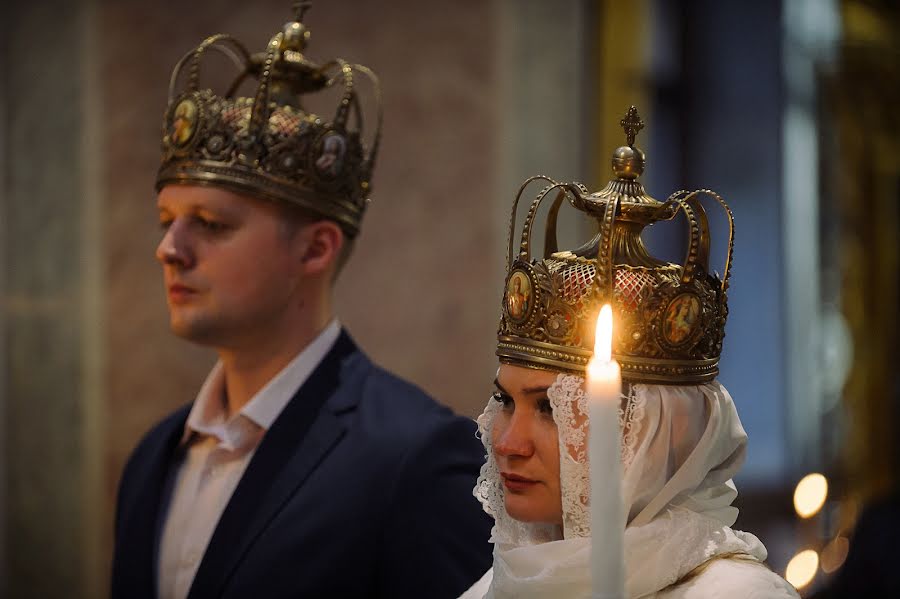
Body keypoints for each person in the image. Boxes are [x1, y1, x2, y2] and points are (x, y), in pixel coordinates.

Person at [111, 7, 491, 599]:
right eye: (167, 220)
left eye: (209, 223)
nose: (169, 249)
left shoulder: (414, 457)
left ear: (315, 250)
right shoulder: (153, 457)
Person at [461, 108, 799, 598]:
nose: (508, 442)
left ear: (658, 432)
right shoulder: (500, 584)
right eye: (506, 402)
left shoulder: (734, 594)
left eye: (554, 409)